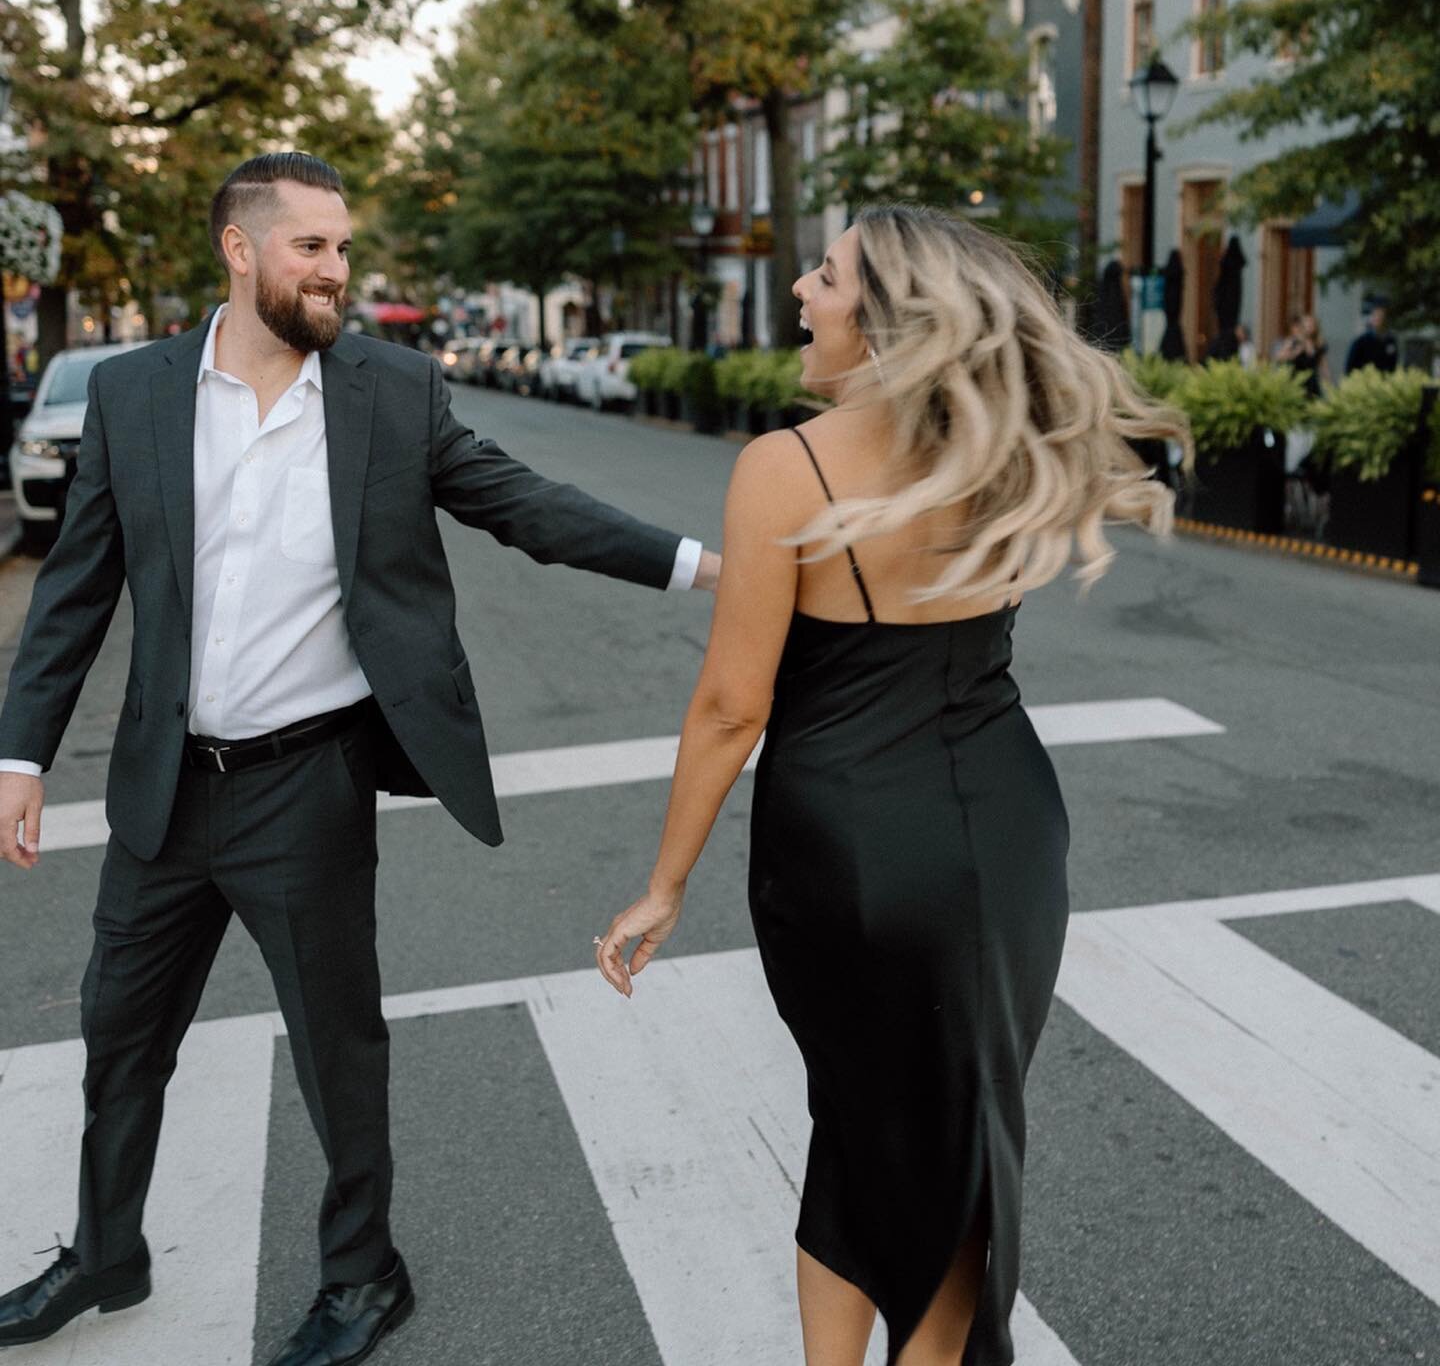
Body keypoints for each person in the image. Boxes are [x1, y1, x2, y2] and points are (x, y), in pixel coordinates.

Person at [0, 152, 719, 1365]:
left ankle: (364, 1274)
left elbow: (525, 505)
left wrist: (711, 566)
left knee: (339, 1051)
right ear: (240, 250)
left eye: (344, 248)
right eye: (312, 248)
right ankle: (103, 1252)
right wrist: (19, 755)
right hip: (165, 789)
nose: (338, 269)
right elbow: (74, 589)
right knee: (119, 1034)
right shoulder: (135, 396)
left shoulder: (391, 391)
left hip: (306, 784)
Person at [596, 205, 1189, 1366]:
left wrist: (664, 885)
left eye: (825, 275)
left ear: (883, 324)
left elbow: (733, 707)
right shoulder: (1003, 446)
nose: (804, 294)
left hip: (850, 849)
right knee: (948, 1135)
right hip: (1008, 836)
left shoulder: (788, 469)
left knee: (862, 1119)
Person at [1275, 311, 1329, 397]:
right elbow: (1280, 358)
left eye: (1311, 325)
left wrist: (1327, 383)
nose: (1308, 328)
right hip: (1296, 381)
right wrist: (1296, 351)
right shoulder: (1294, 341)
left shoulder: (1319, 344)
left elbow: (1323, 366)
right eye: (1306, 325)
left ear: (1315, 327)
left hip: (1312, 383)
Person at [1344, 297, 1398, 375]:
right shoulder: (1361, 341)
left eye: (1382, 315)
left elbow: (1393, 367)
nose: (1379, 318)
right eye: (1376, 315)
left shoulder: (1391, 341)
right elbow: (1349, 367)